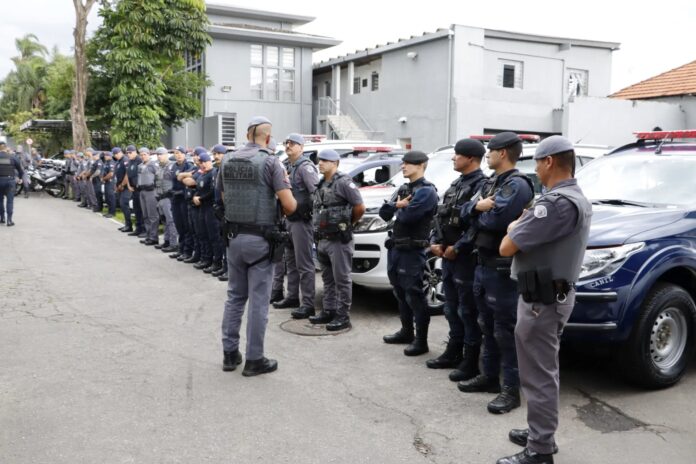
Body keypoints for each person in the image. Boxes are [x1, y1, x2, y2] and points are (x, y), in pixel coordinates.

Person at [495, 136, 591, 464]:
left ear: (549, 161)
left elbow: (506, 246)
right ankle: (541, 431)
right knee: (543, 369)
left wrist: (515, 225)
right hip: (554, 294)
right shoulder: (571, 197)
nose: (534, 169)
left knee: (538, 374)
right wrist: (518, 226)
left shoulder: (554, 204)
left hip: (542, 300)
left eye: (536, 162)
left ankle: (540, 449)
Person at [457, 132, 534, 415]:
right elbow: (464, 211)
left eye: (490, 151)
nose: (486, 154)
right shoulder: (491, 183)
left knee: (505, 330)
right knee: (484, 324)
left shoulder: (517, 185)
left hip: (503, 270)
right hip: (482, 264)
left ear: (503, 153)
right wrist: (476, 207)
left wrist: (478, 212)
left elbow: (496, 220)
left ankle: (510, 390)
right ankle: (489, 377)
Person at [220, 116, 297, 376]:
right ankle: (255, 359)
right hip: (261, 241)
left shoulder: (227, 159)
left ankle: (230, 355)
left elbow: (223, 197)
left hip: (234, 238)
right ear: (267, 137)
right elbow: (290, 205)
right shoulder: (270, 162)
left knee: (234, 296)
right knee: (259, 302)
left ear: (246, 134)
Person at [427, 139, 488, 379]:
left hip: (466, 259)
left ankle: (470, 360)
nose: (453, 158)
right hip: (448, 256)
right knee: (451, 307)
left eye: (457, 155)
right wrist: (434, 240)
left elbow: (477, 225)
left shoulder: (481, 186)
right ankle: (453, 351)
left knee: (467, 311)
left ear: (470, 158)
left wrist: (459, 247)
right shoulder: (456, 184)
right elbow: (441, 217)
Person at [380, 151, 439, 355]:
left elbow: (408, 217)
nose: (403, 166)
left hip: (413, 250)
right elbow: (383, 212)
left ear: (421, 165)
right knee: (400, 292)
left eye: (408, 163)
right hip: (396, 248)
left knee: (414, 294)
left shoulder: (426, 191)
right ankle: (407, 332)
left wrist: (398, 208)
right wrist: (398, 205)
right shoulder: (404, 188)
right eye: (403, 163)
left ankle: (421, 341)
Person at [311, 149, 366, 330]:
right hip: (323, 238)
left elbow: (359, 207)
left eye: (325, 161)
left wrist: (349, 223)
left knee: (342, 279)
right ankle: (329, 311)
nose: (321, 163)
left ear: (335, 163)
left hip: (339, 239)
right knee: (328, 279)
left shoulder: (343, 182)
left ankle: (343, 316)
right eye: (320, 160)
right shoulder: (321, 183)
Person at [275, 133, 319, 318]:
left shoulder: (305, 167)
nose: (288, 146)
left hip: (302, 221)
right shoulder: (287, 166)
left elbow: (316, 194)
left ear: (302, 147)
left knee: (305, 264)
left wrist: (314, 220)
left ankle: (308, 304)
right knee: (290, 262)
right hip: (288, 220)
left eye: (293, 144)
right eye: (287, 143)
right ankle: (292, 297)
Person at [192, 151, 222, 272]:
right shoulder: (202, 175)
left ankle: (217, 262)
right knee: (202, 234)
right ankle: (206, 259)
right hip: (202, 208)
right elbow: (198, 188)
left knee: (213, 236)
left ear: (210, 162)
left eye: (205, 162)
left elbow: (212, 191)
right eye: (201, 162)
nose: (203, 164)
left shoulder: (213, 173)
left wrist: (200, 198)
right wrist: (195, 196)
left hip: (210, 207)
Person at [168, 146, 194, 260]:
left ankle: (187, 251)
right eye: (176, 153)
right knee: (178, 225)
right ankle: (181, 249)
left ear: (184, 154)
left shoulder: (188, 165)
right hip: (175, 198)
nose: (178, 155)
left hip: (184, 198)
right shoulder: (173, 166)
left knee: (186, 226)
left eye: (180, 153)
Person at [154, 147, 178, 252]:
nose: (159, 156)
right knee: (164, 221)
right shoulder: (159, 167)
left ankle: (174, 244)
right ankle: (167, 241)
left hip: (168, 197)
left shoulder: (171, 166)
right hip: (160, 197)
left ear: (166, 155)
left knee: (171, 221)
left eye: (161, 154)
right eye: (158, 155)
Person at [210, 144, 228, 279]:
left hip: (228, 210)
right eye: (214, 154)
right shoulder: (217, 170)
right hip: (219, 209)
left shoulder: (228, 169)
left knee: (228, 241)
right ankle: (224, 266)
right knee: (221, 239)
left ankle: (229, 269)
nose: (216, 156)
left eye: (219, 153)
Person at [137, 147, 159, 246]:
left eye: (144, 154)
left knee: (152, 215)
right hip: (142, 191)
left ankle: (154, 237)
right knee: (145, 215)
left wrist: (155, 186)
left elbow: (158, 176)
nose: (143, 156)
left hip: (151, 191)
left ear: (149, 154)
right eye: (141, 155)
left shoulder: (153, 165)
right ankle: (148, 235)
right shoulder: (140, 165)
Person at [0, 142, 23, 226]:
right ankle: (9, 221)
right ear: (6, 148)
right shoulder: (12, 157)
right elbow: (20, 170)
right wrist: (20, 178)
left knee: (0, 200)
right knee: (10, 201)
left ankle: (2, 218)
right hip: (10, 181)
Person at [123, 145, 145, 237]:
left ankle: (144, 230)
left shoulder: (139, 160)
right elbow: (128, 174)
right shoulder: (130, 161)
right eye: (127, 153)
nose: (128, 154)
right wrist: (128, 185)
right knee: (136, 210)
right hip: (133, 188)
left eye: (130, 152)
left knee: (142, 210)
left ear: (135, 152)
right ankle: (138, 228)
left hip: (140, 189)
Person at [101, 149, 117, 218]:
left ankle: (112, 212)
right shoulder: (106, 163)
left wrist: (103, 179)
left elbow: (111, 174)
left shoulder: (111, 163)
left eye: (107, 155)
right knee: (107, 197)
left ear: (110, 156)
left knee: (111, 197)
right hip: (106, 182)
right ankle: (109, 211)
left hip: (111, 182)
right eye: (105, 155)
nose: (105, 156)